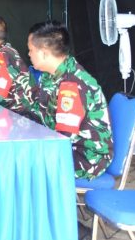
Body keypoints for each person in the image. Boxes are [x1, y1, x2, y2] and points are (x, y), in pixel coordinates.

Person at [26, 21, 112, 180]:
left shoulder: (72, 85)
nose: (29, 54)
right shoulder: (50, 75)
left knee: (24, 166)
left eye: (31, 50)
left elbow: (64, 139)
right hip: (65, 146)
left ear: (44, 53)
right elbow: (37, 111)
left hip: (84, 157)